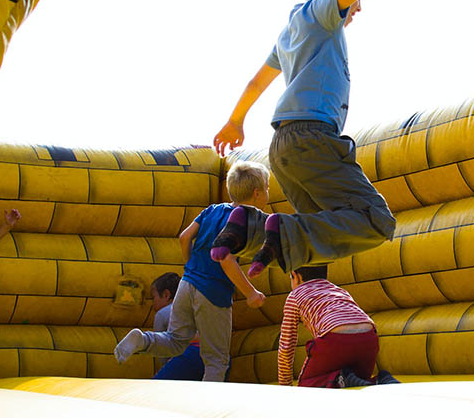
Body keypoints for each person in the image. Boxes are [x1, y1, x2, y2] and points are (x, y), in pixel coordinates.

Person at [210, 0, 429, 278]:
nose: (359, 6)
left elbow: (257, 81)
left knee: (315, 239)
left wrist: (235, 121)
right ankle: (281, 232)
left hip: (282, 148)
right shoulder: (322, 12)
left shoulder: (290, 31)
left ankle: (253, 229)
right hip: (312, 139)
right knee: (375, 220)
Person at [114, 161, 269, 381]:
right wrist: (250, 292)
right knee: (216, 360)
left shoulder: (212, 210)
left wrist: (191, 267)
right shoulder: (244, 221)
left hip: (187, 284)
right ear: (256, 194)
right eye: (267, 188)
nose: (268, 194)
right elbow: (225, 258)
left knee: (176, 341)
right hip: (213, 291)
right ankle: (208, 410)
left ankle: (143, 340)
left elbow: (184, 237)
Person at [277, 265, 399, 387]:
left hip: (335, 339)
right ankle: (381, 380)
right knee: (358, 381)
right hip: (369, 339)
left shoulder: (295, 296)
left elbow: (287, 344)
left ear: (295, 276)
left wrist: (285, 386)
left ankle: (339, 380)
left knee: (307, 387)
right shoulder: (339, 291)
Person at [148, 272, 206, 380]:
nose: (152, 304)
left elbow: (161, 350)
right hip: (213, 356)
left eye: (153, 297)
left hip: (189, 354)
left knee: (155, 388)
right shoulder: (196, 307)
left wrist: (166, 369)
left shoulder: (162, 314)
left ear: (166, 295)